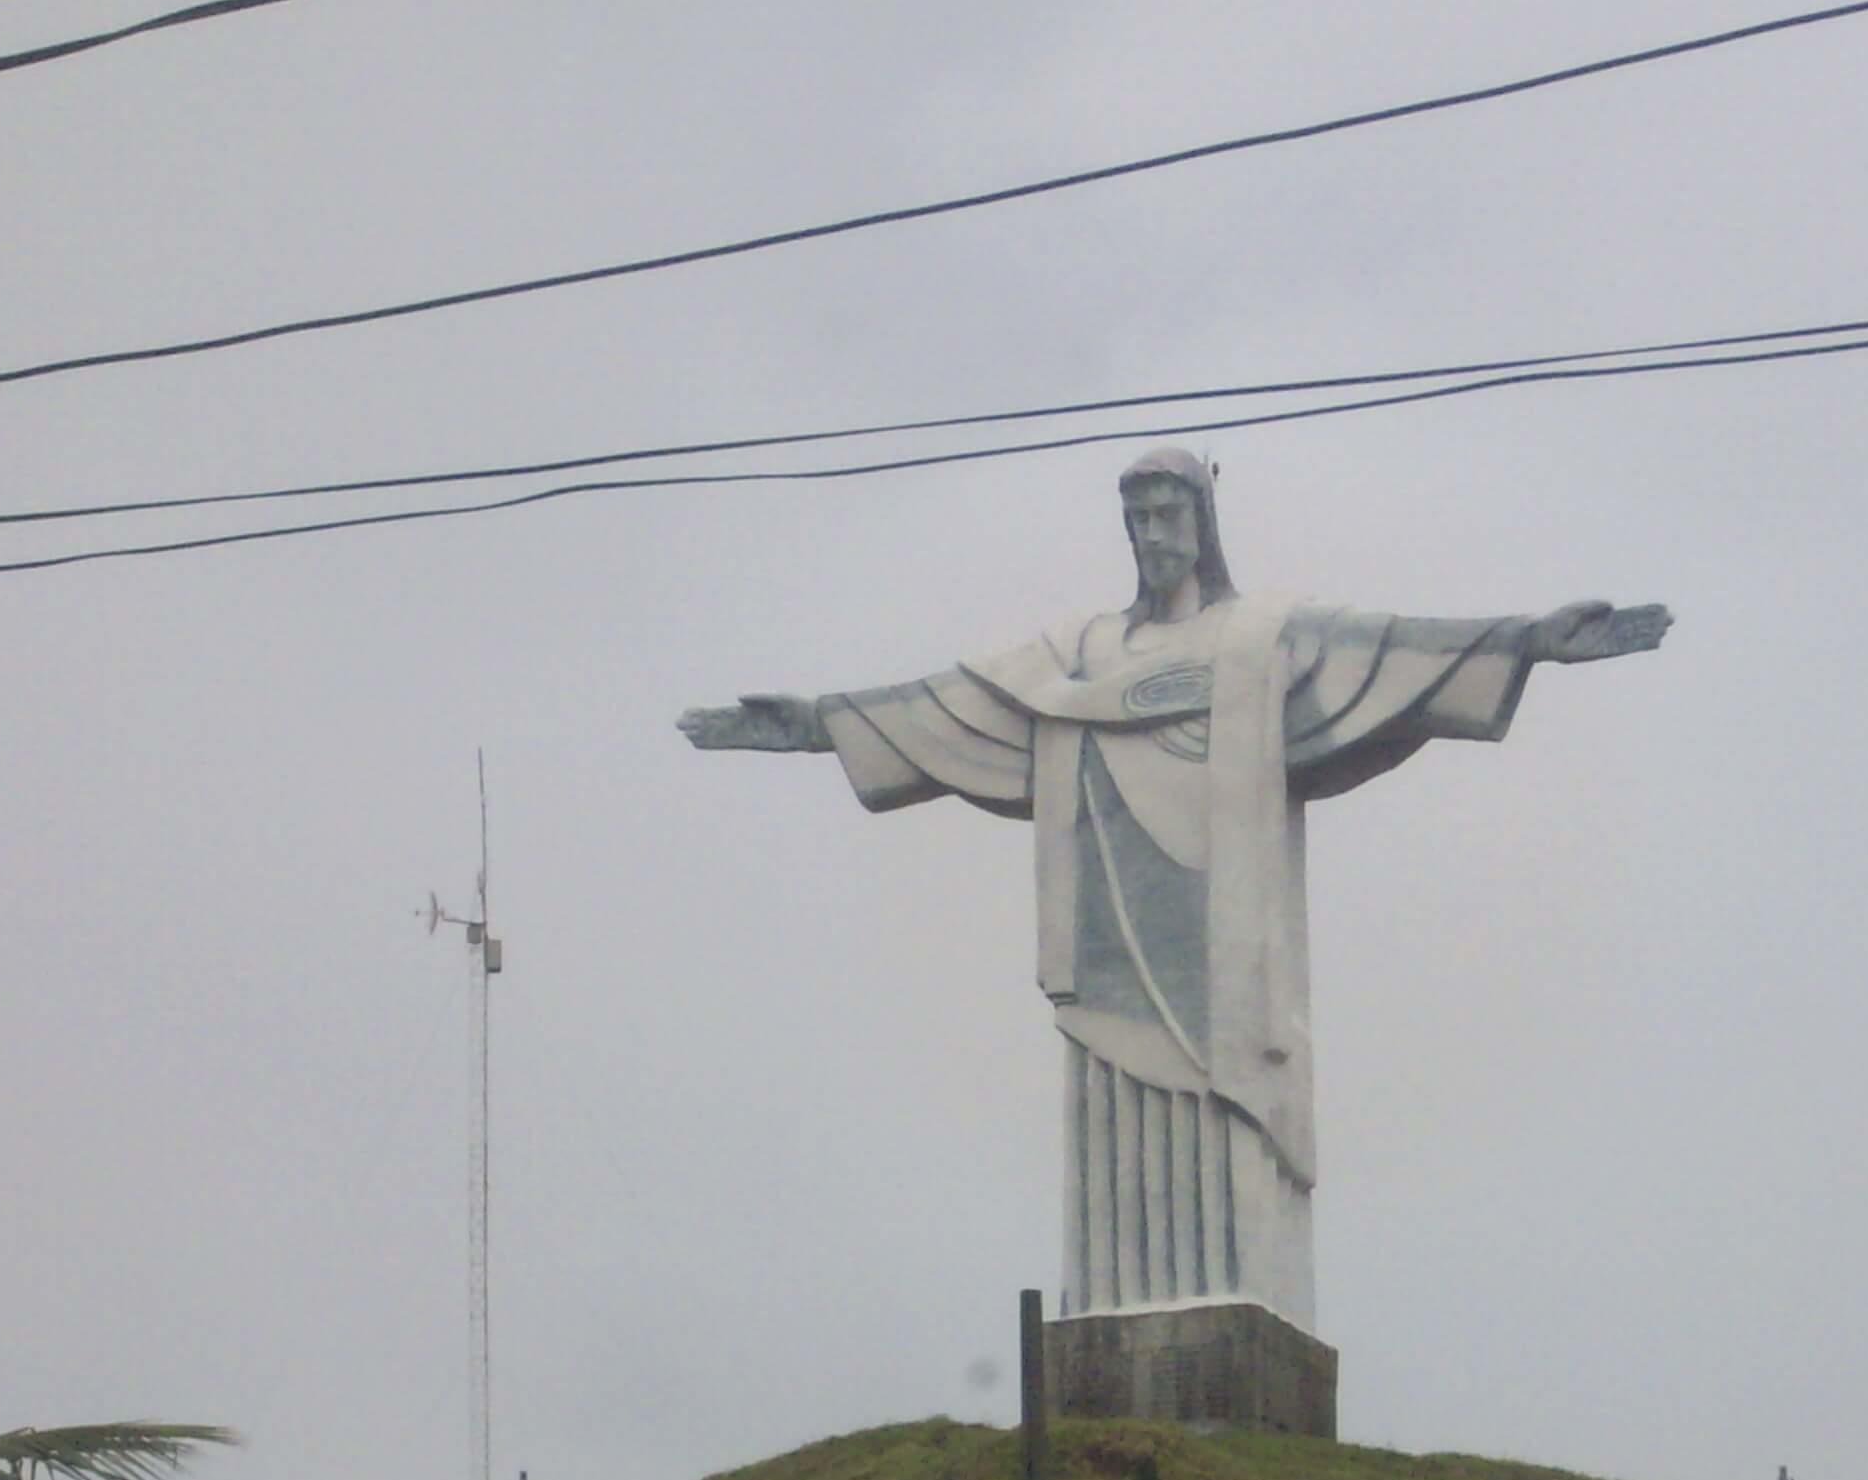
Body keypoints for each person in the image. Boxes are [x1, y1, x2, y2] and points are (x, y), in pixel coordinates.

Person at [680, 448, 1666, 1331]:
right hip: (1106, 922)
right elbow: (951, 705)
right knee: (1113, 1114)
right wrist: (816, 723)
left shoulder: (1264, 637)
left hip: (1223, 937)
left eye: (1168, 516)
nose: (1152, 535)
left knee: (1226, 1115)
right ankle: (1115, 1310)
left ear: (1202, 526)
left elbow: (1389, 650)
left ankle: (1239, 1301)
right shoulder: (1076, 655)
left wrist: (1528, 640)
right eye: (1137, 519)